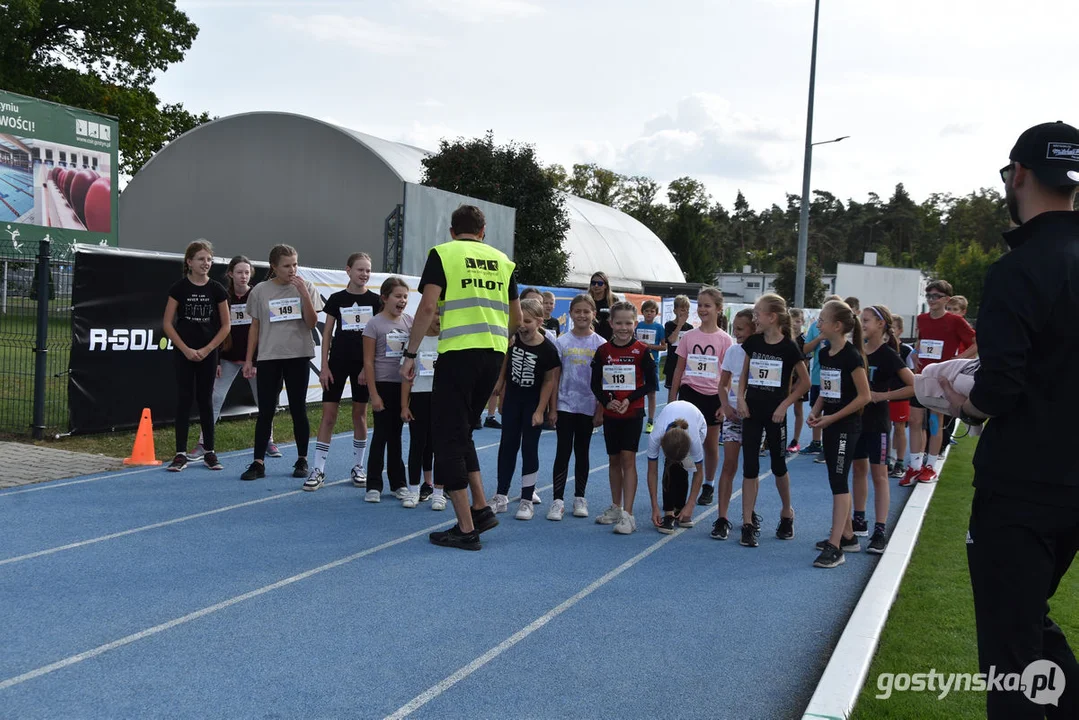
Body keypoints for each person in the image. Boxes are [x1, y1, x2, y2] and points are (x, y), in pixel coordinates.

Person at [938, 121, 1079, 719]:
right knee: (1031, 624)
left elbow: (997, 390)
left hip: (1021, 488)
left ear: (1018, 174)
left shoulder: (1019, 269)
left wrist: (950, 397)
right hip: (1071, 486)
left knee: (1008, 653)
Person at [401, 205, 519, 551]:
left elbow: (426, 308)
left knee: (447, 438)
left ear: (453, 231)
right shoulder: (502, 260)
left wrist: (411, 354)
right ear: (483, 232)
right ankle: (481, 509)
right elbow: (517, 316)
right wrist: (499, 344)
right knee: (463, 430)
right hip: (493, 352)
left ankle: (466, 529)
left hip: (458, 355)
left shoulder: (444, 253)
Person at [187, 256, 282, 462]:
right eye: (239, 272)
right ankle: (204, 443)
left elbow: (265, 329)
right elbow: (215, 329)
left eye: (247, 272)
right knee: (214, 398)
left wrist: (256, 361)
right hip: (228, 358)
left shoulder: (257, 294)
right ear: (230, 274)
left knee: (264, 401)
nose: (243, 276)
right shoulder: (223, 295)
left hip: (255, 359)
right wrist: (217, 360)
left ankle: (268, 440)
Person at [240, 244, 323, 481]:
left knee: (298, 409)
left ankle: (302, 459)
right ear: (273, 267)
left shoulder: (306, 286)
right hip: (269, 356)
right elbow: (254, 327)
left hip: (298, 355)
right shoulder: (260, 291)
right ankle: (258, 462)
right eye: (286, 266)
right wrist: (249, 359)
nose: (292, 269)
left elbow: (311, 323)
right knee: (265, 410)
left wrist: (304, 295)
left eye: (295, 264)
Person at [737, 293, 811, 547]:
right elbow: (744, 374)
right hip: (752, 412)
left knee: (779, 466)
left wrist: (784, 404)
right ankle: (747, 523)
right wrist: (740, 397)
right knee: (749, 467)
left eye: (758, 313)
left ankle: (787, 512)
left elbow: (805, 382)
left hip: (776, 415)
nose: (755, 317)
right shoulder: (754, 342)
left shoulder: (789, 347)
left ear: (772, 317)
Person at [305, 252, 381, 491]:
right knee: (328, 416)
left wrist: (367, 368)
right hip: (337, 363)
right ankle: (318, 469)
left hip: (363, 366)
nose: (364, 274)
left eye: (368, 270)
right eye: (360, 270)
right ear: (348, 270)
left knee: (359, 415)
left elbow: (378, 336)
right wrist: (324, 366)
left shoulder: (376, 301)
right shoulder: (337, 299)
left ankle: (358, 466)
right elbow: (327, 334)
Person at [809, 300, 871, 568]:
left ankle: (836, 547)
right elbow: (827, 388)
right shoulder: (824, 353)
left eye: (822, 319)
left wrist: (832, 417)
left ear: (837, 326)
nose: (818, 323)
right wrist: (816, 409)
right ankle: (847, 536)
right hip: (830, 423)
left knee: (838, 481)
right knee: (835, 478)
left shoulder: (852, 356)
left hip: (846, 427)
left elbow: (864, 396)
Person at [900, 279, 977, 487]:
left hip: (942, 378)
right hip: (922, 375)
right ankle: (915, 466)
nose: (932, 300)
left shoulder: (955, 321)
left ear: (946, 299)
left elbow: (976, 343)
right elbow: (922, 339)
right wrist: (916, 352)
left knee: (935, 423)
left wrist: (958, 360)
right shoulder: (922, 319)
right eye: (929, 296)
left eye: (936, 296)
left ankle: (931, 466)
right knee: (915, 421)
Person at [162, 240, 230, 472]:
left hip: (207, 355)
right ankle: (180, 453)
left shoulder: (217, 290)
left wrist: (207, 350)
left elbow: (225, 326)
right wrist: (186, 349)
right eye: (201, 259)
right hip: (184, 354)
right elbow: (168, 324)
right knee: (183, 400)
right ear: (189, 262)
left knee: (205, 401)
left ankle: (209, 451)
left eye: (209, 259)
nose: (206, 263)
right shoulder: (178, 288)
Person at [489, 299, 560, 520]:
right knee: (507, 446)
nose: (522, 325)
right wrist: (500, 385)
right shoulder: (513, 340)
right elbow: (505, 361)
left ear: (540, 321)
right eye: (519, 320)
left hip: (532, 404)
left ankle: (527, 498)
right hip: (512, 401)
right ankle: (501, 495)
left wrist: (542, 410)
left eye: (527, 321)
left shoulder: (548, 349)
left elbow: (550, 381)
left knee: (529, 448)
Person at [852, 305, 914, 555]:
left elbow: (913, 386)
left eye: (866, 320)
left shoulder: (888, 355)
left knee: (879, 476)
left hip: (877, 424)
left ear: (880, 325)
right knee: (858, 470)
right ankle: (858, 521)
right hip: (855, 422)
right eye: (860, 320)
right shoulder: (856, 352)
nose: (862, 323)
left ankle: (879, 529)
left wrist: (882, 395)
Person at [591, 301, 657, 535]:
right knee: (613, 461)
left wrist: (630, 399)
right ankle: (616, 506)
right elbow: (595, 383)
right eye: (618, 322)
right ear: (610, 324)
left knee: (628, 460)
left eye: (628, 323)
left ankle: (628, 514)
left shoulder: (642, 350)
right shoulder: (603, 352)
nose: (623, 327)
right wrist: (607, 400)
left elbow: (652, 383)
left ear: (635, 324)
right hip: (611, 413)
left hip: (632, 413)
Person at [668, 287, 733, 508]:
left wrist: (725, 405)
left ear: (718, 308)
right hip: (688, 394)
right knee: (683, 442)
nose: (703, 309)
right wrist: (672, 399)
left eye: (707, 305)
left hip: (713, 396)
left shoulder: (725, 340)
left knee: (711, 445)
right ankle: (683, 484)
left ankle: (708, 484)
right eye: (700, 305)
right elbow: (678, 369)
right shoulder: (689, 336)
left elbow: (729, 375)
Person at [547, 294, 605, 521]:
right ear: (570, 314)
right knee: (563, 451)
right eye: (577, 311)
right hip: (564, 404)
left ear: (594, 314)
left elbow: (602, 381)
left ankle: (580, 497)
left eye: (586, 311)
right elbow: (554, 377)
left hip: (588, 405)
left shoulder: (600, 344)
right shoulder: (562, 342)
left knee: (583, 451)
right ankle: (557, 500)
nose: (582, 315)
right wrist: (552, 408)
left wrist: (600, 409)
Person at [362, 277, 413, 504]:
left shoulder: (410, 322)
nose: (402, 301)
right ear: (384, 298)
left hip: (403, 387)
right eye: (397, 296)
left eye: (405, 297)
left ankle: (398, 483)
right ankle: (373, 484)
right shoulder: (374, 324)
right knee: (381, 435)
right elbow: (369, 361)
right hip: (382, 384)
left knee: (397, 436)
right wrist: (374, 394)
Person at [711, 308, 755, 541]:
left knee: (751, 468)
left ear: (753, 329)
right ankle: (722, 517)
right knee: (729, 465)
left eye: (740, 329)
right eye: (734, 329)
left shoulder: (761, 353)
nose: (735, 333)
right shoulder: (732, 352)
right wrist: (725, 406)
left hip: (754, 419)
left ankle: (748, 517)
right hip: (733, 418)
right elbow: (723, 385)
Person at [401, 314, 444, 509]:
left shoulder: (448, 341)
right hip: (419, 396)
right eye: (434, 313)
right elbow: (406, 378)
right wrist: (404, 405)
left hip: (441, 399)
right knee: (417, 445)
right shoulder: (415, 343)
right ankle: (413, 489)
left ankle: (439, 492)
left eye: (441, 313)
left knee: (440, 446)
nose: (437, 318)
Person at [646, 401, 707, 534]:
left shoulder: (694, 439)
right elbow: (652, 472)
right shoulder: (656, 436)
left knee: (686, 466)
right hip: (672, 414)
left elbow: (699, 473)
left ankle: (681, 507)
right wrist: (654, 506)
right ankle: (669, 512)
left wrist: (691, 505)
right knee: (670, 467)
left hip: (699, 422)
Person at [800, 294, 842, 460]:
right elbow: (805, 350)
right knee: (815, 410)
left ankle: (832, 445)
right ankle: (816, 442)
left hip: (837, 379)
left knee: (834, 412)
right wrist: (819, 338)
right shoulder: (815, 327)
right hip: (819, 376)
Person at [887, 315, 916, 478]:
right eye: (889, 328)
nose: (891, 332)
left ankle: (899, 462)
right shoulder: (882, 349)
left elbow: (911, 374)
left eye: (894, 329)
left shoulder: (906, 350)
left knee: (899, 428)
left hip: (901, 395)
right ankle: (888, 458)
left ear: (901, 330)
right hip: (884, 395)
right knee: (885, 428)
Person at [636, 299, 666, 433]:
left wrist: (648, 346)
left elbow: (664, 346)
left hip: (652, 363)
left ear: (656, 313)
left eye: (652, 311)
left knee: (651, 393)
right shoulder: (638, 325)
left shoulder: (659, 328)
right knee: (637, 391)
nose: (649, 313)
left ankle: (650, 421)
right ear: (642, 312)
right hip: (638, 362)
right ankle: (636, 417)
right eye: (646, 311)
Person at [663, 295, 694, 393]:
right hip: (672, 363)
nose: (684, 312)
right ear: (675, 311)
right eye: (682, 309)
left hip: (684, 365)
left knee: (684, 393)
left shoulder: (690, 327)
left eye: (686, 310)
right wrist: (680, 324)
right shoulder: (669, 325)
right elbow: (671, 340)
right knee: (672, 392)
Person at [788, 308, 808, 456]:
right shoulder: (787, 338)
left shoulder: (803, 341)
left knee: (797, 410)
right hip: (785, 380)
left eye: (798, 321)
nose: (795, 324)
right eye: (792, 321)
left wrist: (797, 384)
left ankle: (795, 440)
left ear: (803, 322)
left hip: (799, 380)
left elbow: (805, 364)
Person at [588, 270, 618, 340]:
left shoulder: (613, 300)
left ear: (605, 286)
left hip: (608, 339)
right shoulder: (587, 300)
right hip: (590, 340)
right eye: (593, 283)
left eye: (600, 283)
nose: (596, 285)